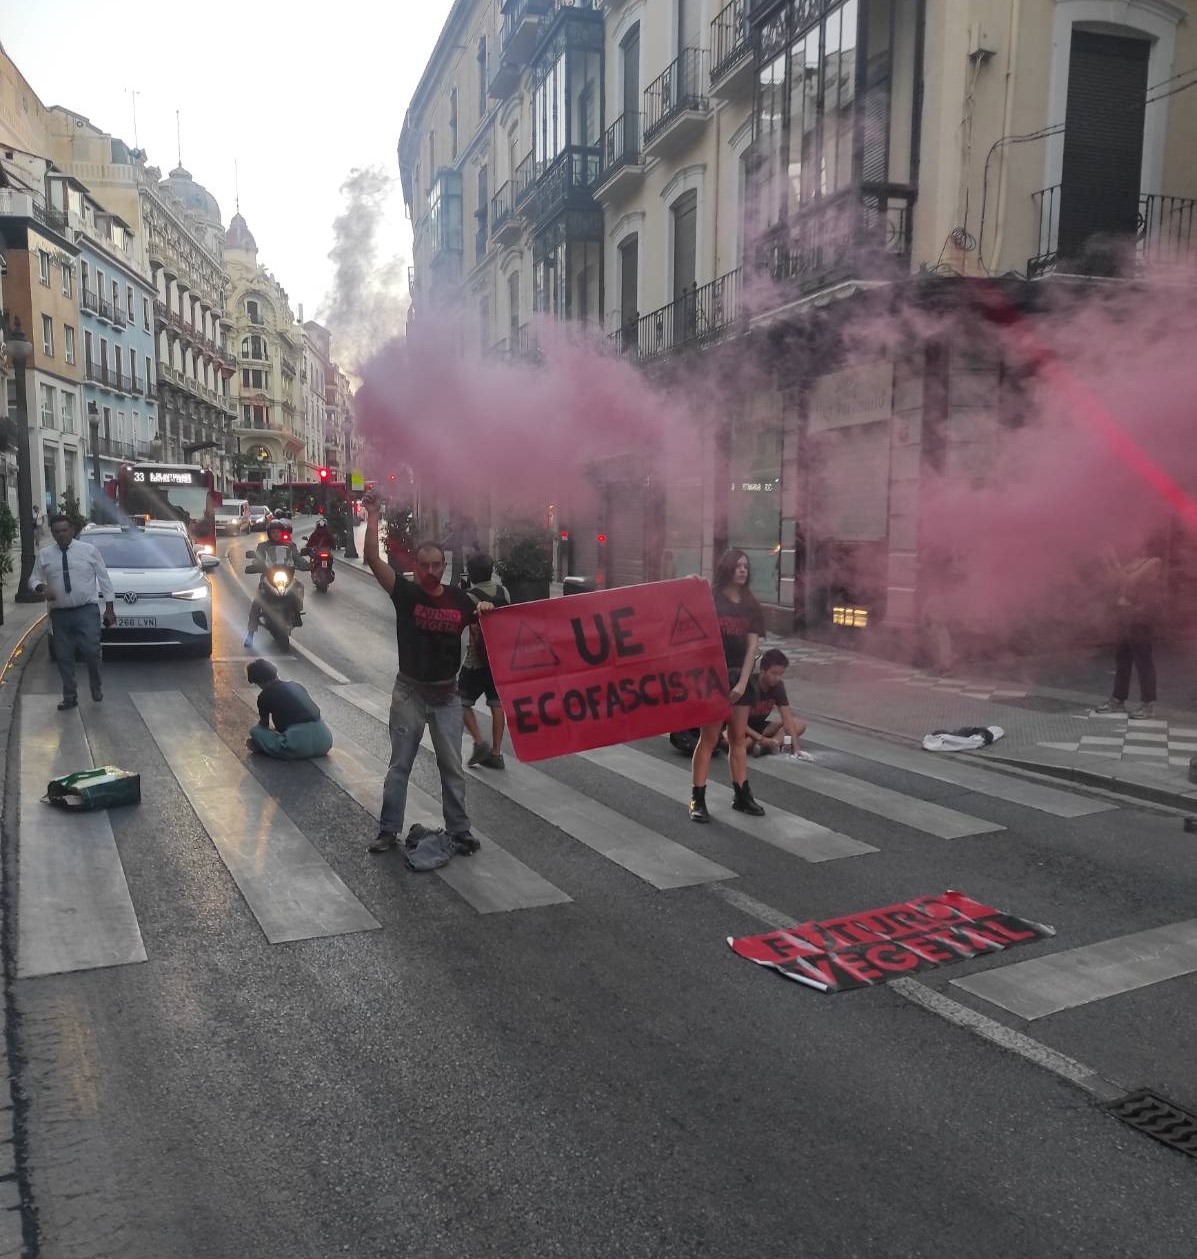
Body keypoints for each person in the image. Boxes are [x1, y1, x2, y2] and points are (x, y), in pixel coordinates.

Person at [361, 489, 495, 855]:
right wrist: (372, 514)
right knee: (399, 766)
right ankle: (389, 830)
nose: (432, 571)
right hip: (410, 694)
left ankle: (460, 831)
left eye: (438, 565)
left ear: (444, 565)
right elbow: (372, 558)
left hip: (447, 696)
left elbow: (493, 621)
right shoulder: (405, 593)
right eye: (425, 565)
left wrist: (484, 606)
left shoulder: (459, 600)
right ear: (416, 567)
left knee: (452, 767)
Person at [690, 548, 767, 822]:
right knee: (709, 739)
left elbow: (752, 648)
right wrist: (689, 584)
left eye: (746, 566)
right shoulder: (711, 597)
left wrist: (743, 683)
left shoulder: (752, 605)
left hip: (740, 678)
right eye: (737, 566)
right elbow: (687, 612)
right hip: (712, 677)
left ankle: (742, 795)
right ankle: (697, 799)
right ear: (727, 569)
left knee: (737, 739)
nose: (743, 570)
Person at [30, 513, 116, 711]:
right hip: (59, 614)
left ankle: (96, 685)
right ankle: (70, 696)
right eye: (57, 531)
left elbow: (104, 579)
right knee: (63, 656)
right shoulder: (45, 555)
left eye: (65, 530)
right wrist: (41, 588)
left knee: (91, 651)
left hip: (86, 610)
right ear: (52, 533)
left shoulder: (89, 551)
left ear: (73, 531)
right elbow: (33, 579)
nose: (61, 535)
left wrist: (109, 609)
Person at [1096, 544, 1163, 720]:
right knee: (1122, 659)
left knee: (1143, 660)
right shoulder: (1133, 562)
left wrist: (1115, 563)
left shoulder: (1153, 562)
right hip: (1126, 615)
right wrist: (1108, 561)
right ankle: (1118, 699)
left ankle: (1148, 704)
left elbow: (1129, 581)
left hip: (1140, 616)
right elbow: (1115, 581)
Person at [458, 553, 512, 769]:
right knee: (497, 704)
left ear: (471, 573)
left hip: (475, 661)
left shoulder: (469, 596)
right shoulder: (504, 592)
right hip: (499, 659)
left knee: (459, 702)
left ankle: (479, 742)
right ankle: (496, 753)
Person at [245, 659, 333, 758]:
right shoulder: (296, 686)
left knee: (255, 731)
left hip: (298, 745)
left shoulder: (264, 696)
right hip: (325, 741)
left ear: (260, 681)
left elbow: (263, 725)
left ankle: (264, 747)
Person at [244, 516, 307, 649]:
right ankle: (250, 634)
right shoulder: (263, 546)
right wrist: (255, 565)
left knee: (299, 587)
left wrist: (305, 565)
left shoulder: (289, 545)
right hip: (268, 578)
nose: (276, 534)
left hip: (287, 577)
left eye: (278, 531)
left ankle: (296, 612)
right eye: (273, 532)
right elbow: (258, 560)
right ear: (269, 533)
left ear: (281, 532)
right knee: (257, 601)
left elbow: (297, 558)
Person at [744, 649, 812, 759]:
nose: (777, 678)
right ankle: (760, 743)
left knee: (799, 724)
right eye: (774, 673)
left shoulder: (778, 686)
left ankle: (772, 744)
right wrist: (760, 738)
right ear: (762, 670)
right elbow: (737, 722)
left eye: (781, 674)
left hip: (761, 727)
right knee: (741, 744)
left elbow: (787, 719)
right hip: (740, 728)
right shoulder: (749, 686)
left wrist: (797, 748)